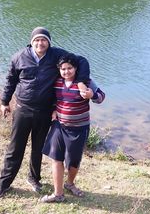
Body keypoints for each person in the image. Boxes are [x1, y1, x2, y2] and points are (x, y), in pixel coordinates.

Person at [0, 27, 91, 199]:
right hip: (23, 109)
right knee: (15, 148)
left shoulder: (56, 55)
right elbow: (10, 80)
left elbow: (81, 60)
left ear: (49, 42)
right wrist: (4, 101)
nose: (40, 43)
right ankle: (3, 184)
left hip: (45, 111)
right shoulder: (19, 57)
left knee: (38, 148)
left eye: (44, 40)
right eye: (37, 40)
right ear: (32, 42)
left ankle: (34, 178)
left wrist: (81, 82)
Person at [40, 53, 105, 203]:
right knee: (56, 158)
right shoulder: (57, 81)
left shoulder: (86, 81)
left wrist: (92, 95)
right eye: (63, 69)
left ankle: (70, 184)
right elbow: (53, 99)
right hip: (59, 126)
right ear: (59, 70)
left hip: (79, 128)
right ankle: (58, 194)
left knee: (73, 161)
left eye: (69, 68)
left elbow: (101, 97)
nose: (66, 71)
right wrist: (54, 109)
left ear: (75, 68)